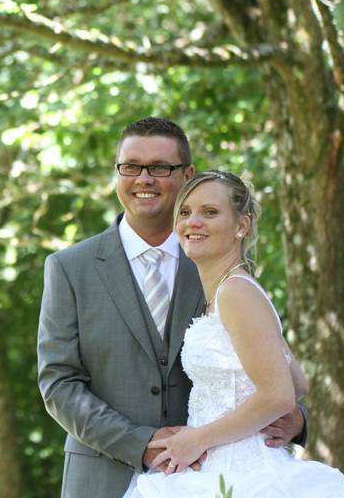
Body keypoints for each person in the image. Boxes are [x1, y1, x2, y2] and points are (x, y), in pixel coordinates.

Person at [37, 117, 305, 498]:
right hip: (102, 478)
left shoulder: (219, 263)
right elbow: (59, 383)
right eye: (131, 167)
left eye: (160, 167)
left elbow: (269, 368)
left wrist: (295, 420)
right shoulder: (69, 268)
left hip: (212, 474)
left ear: (187, 174)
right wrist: (140, 443)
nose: (144, 178)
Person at [121, 170, 344, 497]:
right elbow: (297, 382)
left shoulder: (236, 293)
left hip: (241, 474)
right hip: (218, 466)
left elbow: (280, 395)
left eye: (210, 212)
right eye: (185, 213)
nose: (193, 222)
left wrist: (197, 438)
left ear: (241, 226)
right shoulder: (231, 291)